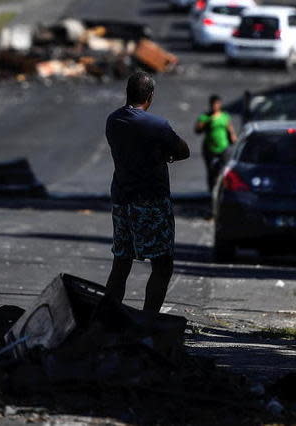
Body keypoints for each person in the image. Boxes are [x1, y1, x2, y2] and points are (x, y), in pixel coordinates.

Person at [102, 72, 190, 314]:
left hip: (122, 200)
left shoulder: (113, 120)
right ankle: (148, 322)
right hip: (151, 202)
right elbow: (183, 150)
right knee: (162, 265)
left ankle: (107, 318)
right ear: (150, 96)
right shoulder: (157, 125)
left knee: (121, 262)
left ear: (127, 93)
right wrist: (163, 154)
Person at [194, 95, 237, 192]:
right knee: (211, 170)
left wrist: (233, 136)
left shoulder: (224, 116)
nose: (215, 106)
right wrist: (207, 122)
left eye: (217, 104)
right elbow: (197, 130)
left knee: (225, 170)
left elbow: (229, 127)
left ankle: (225, 190)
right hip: (210, 147)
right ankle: (211, 190)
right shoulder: (205, 117)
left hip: (223, 146)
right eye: (213, 104)